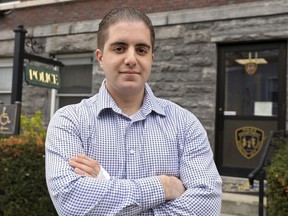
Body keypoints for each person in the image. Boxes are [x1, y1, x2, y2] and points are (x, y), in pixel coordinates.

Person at [45, 7, 222, 215]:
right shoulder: (70, 122)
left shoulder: (184, 123)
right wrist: (164, 186)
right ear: (100, 58)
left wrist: (105, 186)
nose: (131, 59)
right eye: (119, 48)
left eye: (141, 50)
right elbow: (71, 201)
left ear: (151, 58)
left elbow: (207, 205)